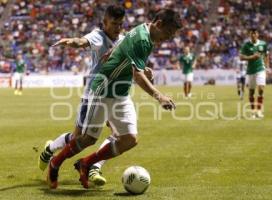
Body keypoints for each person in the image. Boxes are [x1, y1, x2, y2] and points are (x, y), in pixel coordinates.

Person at [47, 8, 182, 189]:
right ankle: (55, 162)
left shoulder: (145, 30)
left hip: (121, 92)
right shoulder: (143, 39)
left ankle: (86, 163)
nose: (168, 38)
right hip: (103, 89)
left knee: (129, 139)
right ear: (158, 24)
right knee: (87, 139)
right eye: (168, 33)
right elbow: (137, 75)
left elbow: (126, 45)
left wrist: (115, 50)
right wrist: (159, 96)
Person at [38, 4, 126, 186]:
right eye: (114, 24)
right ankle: (50, 149)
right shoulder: (98, 36)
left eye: (121, 24)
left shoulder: (123, 40)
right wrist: (71, 41)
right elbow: (81, 41)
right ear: (105, 22)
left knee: (120, 134)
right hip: (93, 96)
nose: (118, 28)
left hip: (114, 95)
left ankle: (94, 167)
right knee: (79, 138)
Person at [240, 28, 269, 118]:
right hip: (250, 71)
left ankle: (259, 111)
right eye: (251, 33)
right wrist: (252, 57)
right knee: (251, 92)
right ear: (249, 35)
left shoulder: (263, 44)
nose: (253, 35)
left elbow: (266, 55)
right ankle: (253, 111)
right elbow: (241, 57)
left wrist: (267, 67)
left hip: (261, 69)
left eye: (255, 33)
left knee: (261, 89)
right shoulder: (246, 45)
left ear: (258, 34)